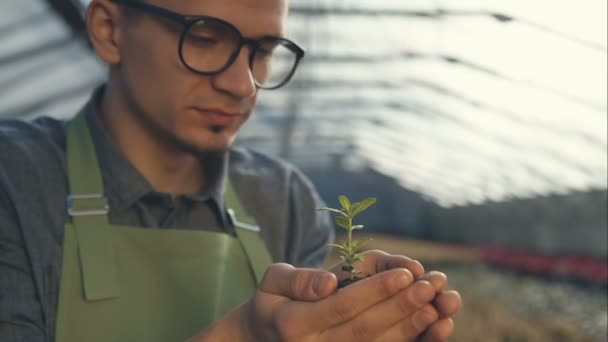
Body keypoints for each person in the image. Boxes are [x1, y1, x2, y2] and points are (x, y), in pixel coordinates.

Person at [0, 0, 461, 341]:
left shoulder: (283, 199)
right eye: (203, 39)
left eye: (262, 51)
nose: (241, 84)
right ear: (110, 30)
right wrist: (241, 335)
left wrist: (351, 313)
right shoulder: (16, 181)